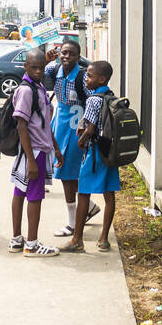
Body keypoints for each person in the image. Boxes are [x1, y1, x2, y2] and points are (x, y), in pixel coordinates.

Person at [8, 47, 63, 257]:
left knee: (20, 191)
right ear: (25, 67)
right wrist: (31, 160)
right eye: (34, 68)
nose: (39, 71)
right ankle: (31, 244)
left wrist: (56, 148)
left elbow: (44, 122)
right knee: (34, 196)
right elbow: (22, 125)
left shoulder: (37, 85)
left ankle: (16, 240)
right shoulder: (26, 90)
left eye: (42, 67)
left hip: (38, 149)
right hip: (34, 152)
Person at [61, 60, 120, 253]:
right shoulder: (111, 96)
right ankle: (103, 239)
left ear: (101, 79)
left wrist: (81, 140)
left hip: (94, 154)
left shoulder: (93, 99)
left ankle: (77, 239)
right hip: (109, 152)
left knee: (84, 193)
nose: (86, 79)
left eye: (90, 76)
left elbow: (91, 128)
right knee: (109, 194)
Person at [48, 40, 101, 237]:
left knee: (66, 173)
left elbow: (93, 100)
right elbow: (39, 73)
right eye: (63, 53)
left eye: (71, 54)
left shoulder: (81, 77)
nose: (66, 57)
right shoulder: (54, 70)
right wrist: (48, 60)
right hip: (59, 124)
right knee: (67, 171)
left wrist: (87, 127)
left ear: (79, 57)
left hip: (75, 127)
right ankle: (90, 207)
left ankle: (72, 222)